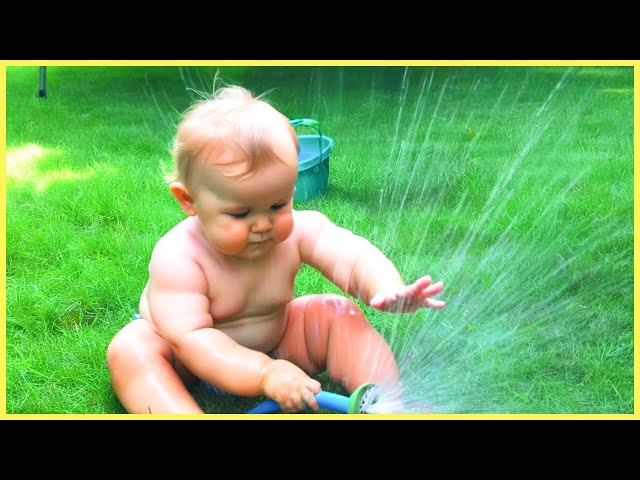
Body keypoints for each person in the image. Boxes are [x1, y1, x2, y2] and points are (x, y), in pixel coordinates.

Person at [106, 85, 445, 414]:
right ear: (189, 200)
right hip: (190, 359)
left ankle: (388, 403)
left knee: (336, 312)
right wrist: (265, 373)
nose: (263, 224)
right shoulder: (179, 256)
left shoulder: (298, 230)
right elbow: (191, 340)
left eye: (278, 204)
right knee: (132, 349)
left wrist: (384, 285)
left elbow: (351, 254)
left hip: (273, 337)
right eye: (240, 213)